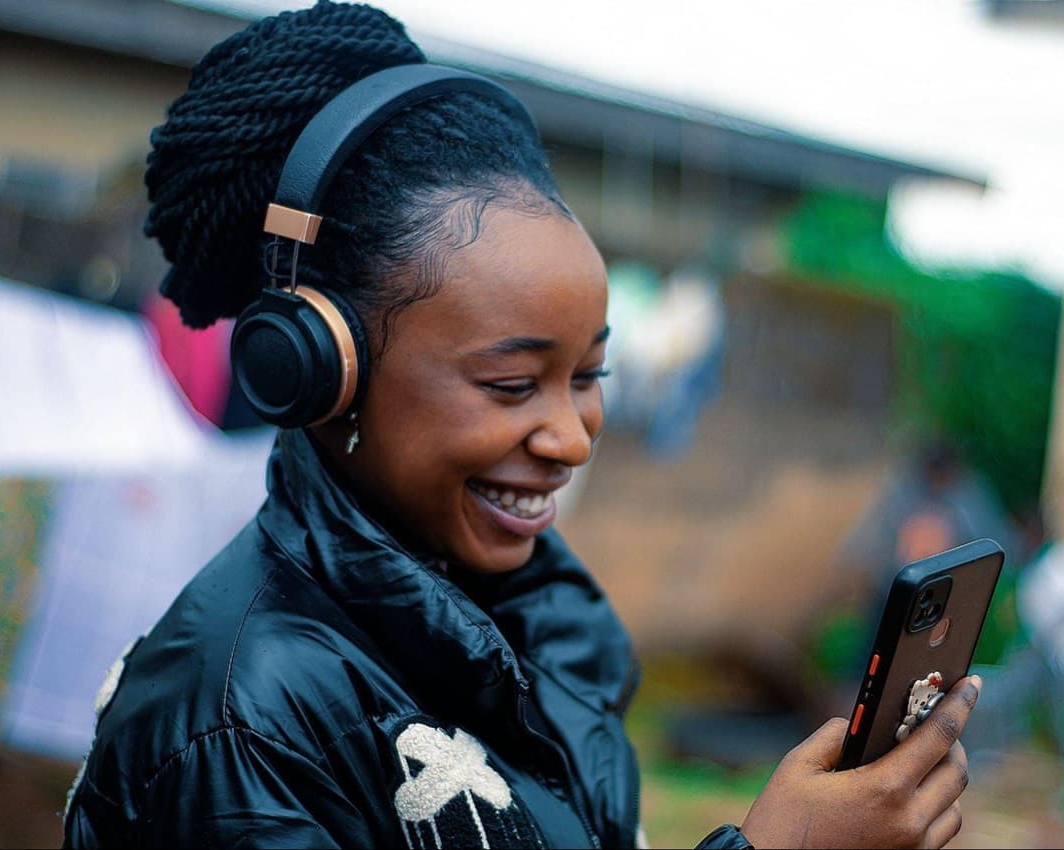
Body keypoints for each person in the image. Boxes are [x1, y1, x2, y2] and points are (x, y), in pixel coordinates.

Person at [61, 3, 981, 847]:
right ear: (317, 369)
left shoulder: (538, 631)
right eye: (511, 384)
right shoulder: (234, 723)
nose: (575, 438)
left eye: (590, 376)